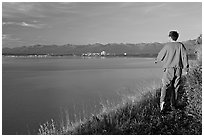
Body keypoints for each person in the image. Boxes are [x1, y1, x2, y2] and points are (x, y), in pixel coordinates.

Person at [155, 31, 189, 114]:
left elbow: (161, 55)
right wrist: (186, 69)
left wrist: (157, 60)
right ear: (177, 37)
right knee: (176, 87)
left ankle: (162, 104)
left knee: (165, 86)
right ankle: (173, 105)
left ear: (170, 37)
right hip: (178, 69)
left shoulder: (167, 46)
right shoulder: (181, 45)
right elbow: (185, 56)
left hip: (169, 69)